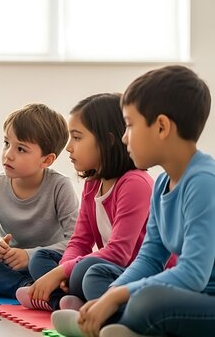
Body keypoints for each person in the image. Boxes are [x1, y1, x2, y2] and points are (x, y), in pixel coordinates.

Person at [53, 65, 215, 337]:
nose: (125, 137)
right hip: (189, 296)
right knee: (110, 284)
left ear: (161, 126)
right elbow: (150, 259)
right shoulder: (163, 183)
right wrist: (111, 294)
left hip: (205, 297)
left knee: (146, 300)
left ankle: (114, 324)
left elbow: (193, 275)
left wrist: (116, 298)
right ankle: (114, 324)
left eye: (129, 125)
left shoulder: (204, 182)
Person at [16, 93, 154, 311]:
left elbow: (119, 253)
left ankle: (62, 301)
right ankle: (66, 301)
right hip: (105, 267)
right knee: (41, 258)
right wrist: (62, 271)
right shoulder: (92, 184)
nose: (69, 147)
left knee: (84, 271)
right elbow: (80, 241)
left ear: (107, 141)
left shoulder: (135, 183)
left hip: (133, 272)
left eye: (77, 138)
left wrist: (63, 273)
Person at [0, 103, 78, 298]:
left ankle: (19, 286)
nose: (8, 154)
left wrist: (29, 255)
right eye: (6, 143)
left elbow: (74, 242)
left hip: (44, 265)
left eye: (21, 149)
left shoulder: (60, 186)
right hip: (9, 265)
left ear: (46, 160)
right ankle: (25, 287)